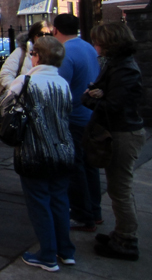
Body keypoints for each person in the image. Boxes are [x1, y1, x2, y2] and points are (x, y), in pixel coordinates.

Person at [2, 36, 76, 272]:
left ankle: (47, 255)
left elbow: (6, 108)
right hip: (63, 150)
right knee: (60, 201)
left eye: (33, 54)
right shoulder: (63, 83)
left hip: (34, 152)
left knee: (39, 203)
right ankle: (66, 250)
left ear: (37, 56)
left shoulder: (25, 81)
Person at [82, 22, 146, 261]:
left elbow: (113, 106)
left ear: (110, 43)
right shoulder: (116, 65)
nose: (95, 45)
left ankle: (127, 241)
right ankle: (121, 233)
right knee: (117, 188)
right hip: (118, 130)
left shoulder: (125, 69)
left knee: (120, 190)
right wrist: (93, 95)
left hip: (123, 133)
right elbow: (94, 91)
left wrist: (91, 99)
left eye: (98, 41)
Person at [52, 14, 102, 232]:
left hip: (72, 117)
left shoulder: (65, 53)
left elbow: (60, 89)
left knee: (75, 168)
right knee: (90, 166)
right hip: (91, 115)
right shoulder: (89, 48)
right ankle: (95, 211)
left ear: (56, 30)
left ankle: (82, 216)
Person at [0, 21, 52, 97]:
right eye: (40, 34)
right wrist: (18, 91)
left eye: (47, 34)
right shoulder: (21, 51)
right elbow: (6, 73)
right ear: (33, 36)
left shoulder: (55, 53)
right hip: (24, 100)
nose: (43, 37)